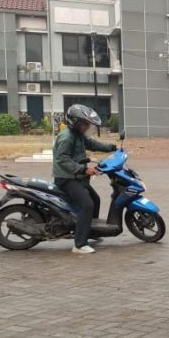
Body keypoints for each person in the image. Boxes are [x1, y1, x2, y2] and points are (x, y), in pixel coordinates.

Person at [52, 104, 117, 254]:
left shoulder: (78, 134)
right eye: (85, 124)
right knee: (87, 205)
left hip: (76, 177)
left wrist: (112, 148)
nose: (87, 127)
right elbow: (62, 160)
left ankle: (89, 231)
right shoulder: (67, 137)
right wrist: (84, 169)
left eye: (88, 124)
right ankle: (79, 244)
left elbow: (92, 144)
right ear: (75, 122)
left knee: (95, 200)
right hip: (66, 179)